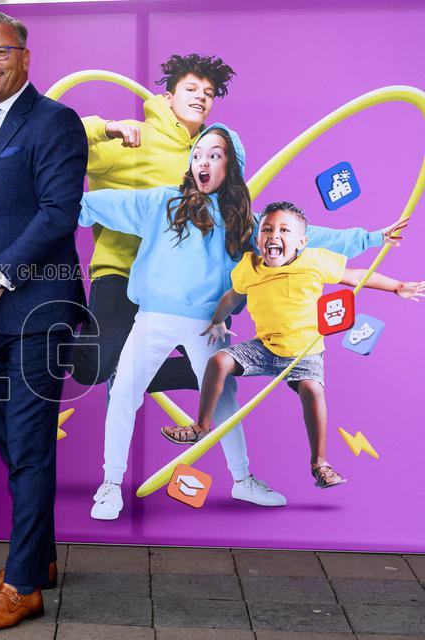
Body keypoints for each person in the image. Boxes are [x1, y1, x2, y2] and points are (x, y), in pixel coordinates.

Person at [79, 124, 387, 520]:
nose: (203, 161)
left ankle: (242, 480)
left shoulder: (246, 222)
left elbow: (314, 237)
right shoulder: (161, 203)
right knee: (123, 393)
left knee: (225, 402)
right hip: (153, 316)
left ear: (233, 165)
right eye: (198, 154)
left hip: (207, 324)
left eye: (215, 154)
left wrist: (372, 238)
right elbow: (96, 204)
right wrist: (51, 202)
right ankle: (110, 485)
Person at [0, 12, 87, 631]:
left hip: (36, 312)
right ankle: (39, 559)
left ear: (25, 57)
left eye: (0, 52)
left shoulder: (55, 122)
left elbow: (57, 215)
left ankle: (24, 585)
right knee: (14, 446)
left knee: (28, 449)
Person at [166, 202, 421, 487]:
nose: (274, 235)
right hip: (265, 348)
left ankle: (320, 464)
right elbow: (232, 296)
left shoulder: (315, 261)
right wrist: (217, 320)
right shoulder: (249, 268)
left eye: (284, 230)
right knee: (218, 361)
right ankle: (201, 426)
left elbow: (356, 275)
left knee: (312, 390)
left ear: (302, 241)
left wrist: (397, 286)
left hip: (304, 353)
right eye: (267, 229)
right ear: (258, 237)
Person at [70, 54, 239, 390]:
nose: (200, 97)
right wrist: (105, 128)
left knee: (214, 365)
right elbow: (59, 140)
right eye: (191, 88)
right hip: (122, 273)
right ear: (168, 97)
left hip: (178, 285)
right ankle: (50, 334)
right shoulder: (134, 138)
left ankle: (129, 376)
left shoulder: (214, 155)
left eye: (208, 93)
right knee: (92, 369)